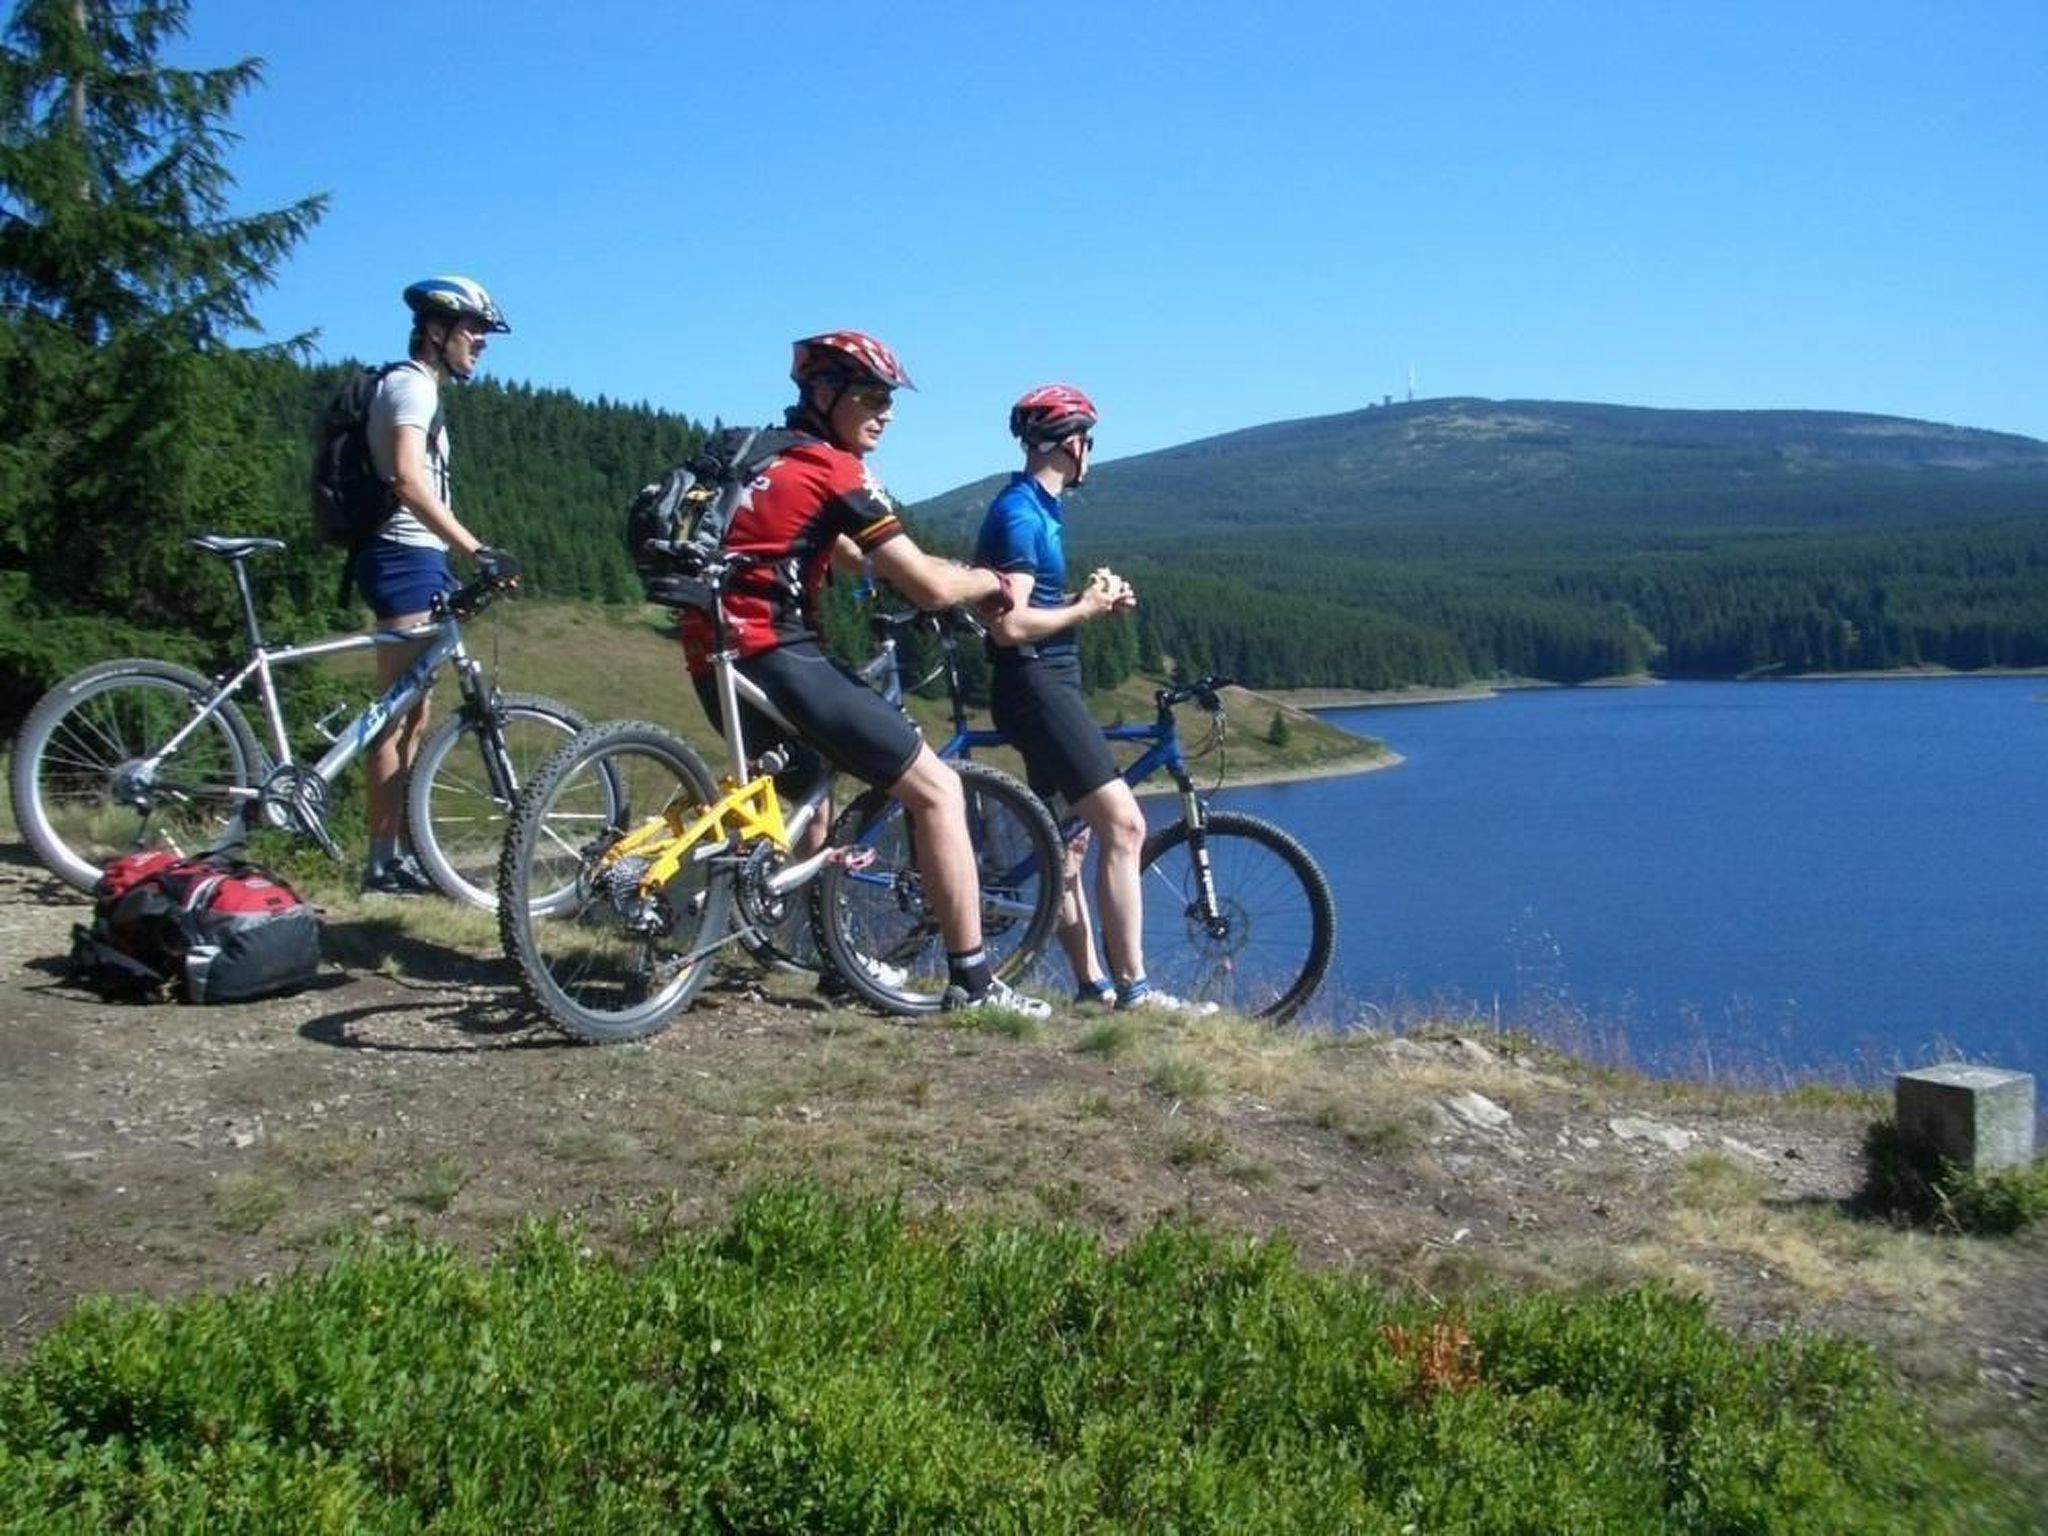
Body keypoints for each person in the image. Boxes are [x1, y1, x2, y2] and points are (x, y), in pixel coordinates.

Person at [678, 330, 1050, 1018]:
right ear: (826, 394)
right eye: (873, 397)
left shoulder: (759, 454)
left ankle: (827, 958)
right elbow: (930, 590)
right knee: (937, 790)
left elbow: (841, 549)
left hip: (710, 653)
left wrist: (895, 567)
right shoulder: (834, 469)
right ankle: (974, 984)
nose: (887, 412)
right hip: (778, 652)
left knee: (809, 789)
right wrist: (988, 582)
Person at [975, 384, 1214, 1014]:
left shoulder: (1037, 506)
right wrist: (1084, 608)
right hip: (1036, 685)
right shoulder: (1023, 515)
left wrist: (1093, 603)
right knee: (1125, 825)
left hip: (1044, 682)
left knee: (1069, 843)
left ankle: (1092, 987)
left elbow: (1028, 606)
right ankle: (1134, 989)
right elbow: (1010, 625)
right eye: (1089, 440)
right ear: (1071, 443)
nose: (1091, 452)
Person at [354, 275, 518, 895]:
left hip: (418, 557)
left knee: (412, 712)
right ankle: (382, 864)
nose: (481, 341)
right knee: (393, 715)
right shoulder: (412, 387)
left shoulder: (418, 388)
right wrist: (475, 548)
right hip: (402, 556)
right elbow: (406, 478)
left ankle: (396, 856)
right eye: (472, 329)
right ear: (435, 330)